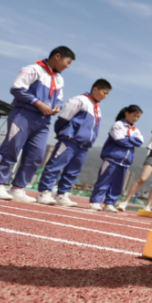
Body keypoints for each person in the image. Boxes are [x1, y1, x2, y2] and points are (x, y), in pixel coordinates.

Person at [0, 46, 73, 202]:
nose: (67, 66)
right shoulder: (33, 69)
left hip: (43, 121)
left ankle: (17, 188)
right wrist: (38, 103)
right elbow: (17, 89)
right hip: (24, 115)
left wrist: (57, 106)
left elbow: (59, 98)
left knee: (36, 155)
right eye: (67, 62)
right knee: (11, 149)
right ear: (57, 56)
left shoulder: (59, 78)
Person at [35, 79, 111, 207]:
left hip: (84, 145)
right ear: (95, 89)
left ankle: (62, 195)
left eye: (107, 94)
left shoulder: (97, 108)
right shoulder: (79, 100)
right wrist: (62, 133)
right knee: (55, 165)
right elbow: (64, 117)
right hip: (70, 140)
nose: (105, 96)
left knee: (72, 171)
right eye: (104, 92)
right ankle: (44, 192)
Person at [89, 105, 144, 212]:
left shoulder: (135, 129)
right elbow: (119, 140)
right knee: (104, 180)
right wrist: (132, 140)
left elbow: (140, 141)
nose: (136, 118)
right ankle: (95, 202)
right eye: (134, 115)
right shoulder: (118, 125)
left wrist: (127, 137)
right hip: (112, 158)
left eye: (138, 117)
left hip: (125, 162)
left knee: (117, 184)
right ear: (126, 113)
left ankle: (110, 203)